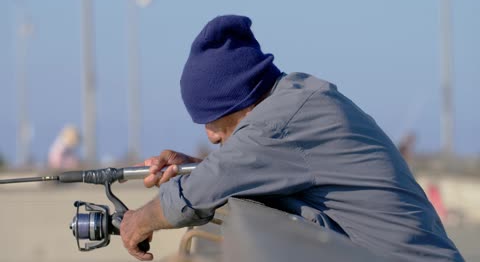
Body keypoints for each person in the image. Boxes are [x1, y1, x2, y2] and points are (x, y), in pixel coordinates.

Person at [120, 15, 463, 262]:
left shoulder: (279, 123)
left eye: (212, 122)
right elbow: (250, 164)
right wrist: (199, 167)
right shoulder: (295, 98)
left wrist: (137, 221)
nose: (210, 137)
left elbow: (193, 196)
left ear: (241, 102)